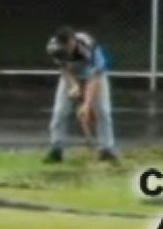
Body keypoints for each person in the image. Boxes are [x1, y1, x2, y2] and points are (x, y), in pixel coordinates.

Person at [44, 26, 118, 163]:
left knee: (102, 110)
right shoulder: (53, 48)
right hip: (72, 75)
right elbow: (64, 69)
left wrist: (86, 105)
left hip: (96, 76)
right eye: (64, 47)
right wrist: (73, 86)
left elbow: (94, 78)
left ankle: (106, 149)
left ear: (74, 40)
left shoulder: (88, 47)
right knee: (60, 111)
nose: (68, 50)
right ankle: (56, 149)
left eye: (70, 46)